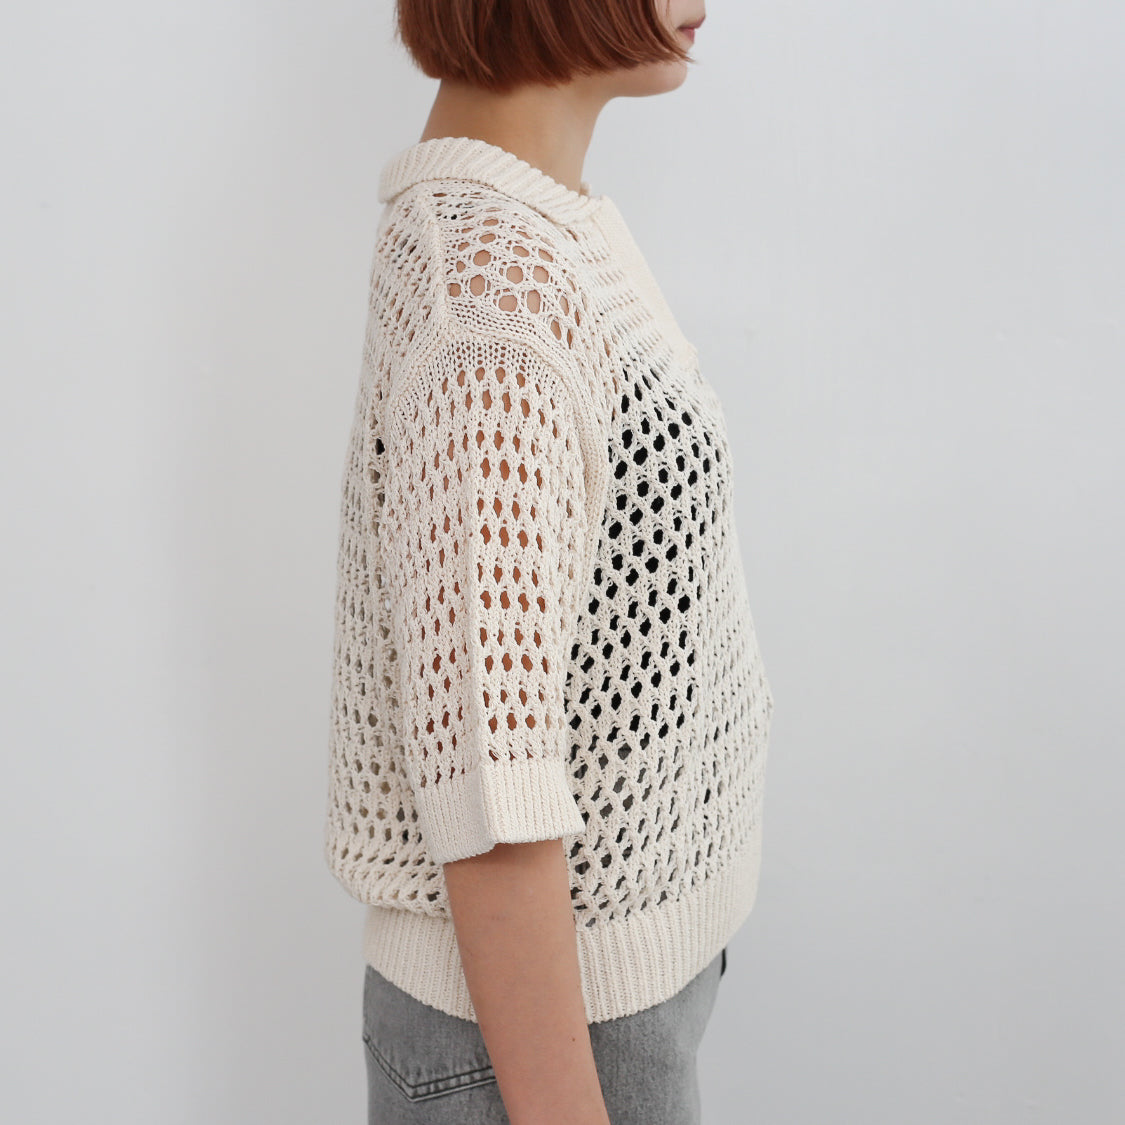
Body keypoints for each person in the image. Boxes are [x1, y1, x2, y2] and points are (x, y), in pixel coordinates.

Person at [323, 2, 775, 1122]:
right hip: (538, 1037)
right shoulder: (491, 301)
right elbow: (490, 789)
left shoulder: (546, 231)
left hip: (601, 1001)